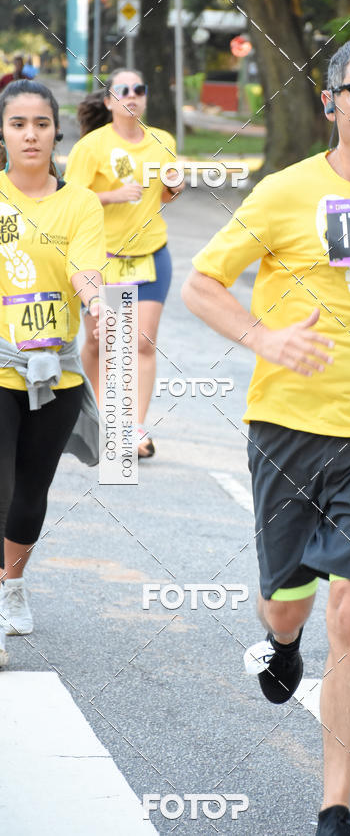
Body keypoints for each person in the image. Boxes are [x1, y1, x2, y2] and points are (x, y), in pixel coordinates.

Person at [182, 35, 350, 834]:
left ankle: (334, 807)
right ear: (331, 101)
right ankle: (280, 640)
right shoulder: (282, 193)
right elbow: (203, 283)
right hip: (286, 426)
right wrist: (267, 339)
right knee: (284, 604)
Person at [0, 79, 105, 660]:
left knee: (30, 492)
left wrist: (96, 301)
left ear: (56, 130)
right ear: (3, 132)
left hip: (57, 373)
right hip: (0, 364)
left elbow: (86, 268)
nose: (30, 134)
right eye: (18, 124)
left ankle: (11, 586)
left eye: (41, 123)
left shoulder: (80, 202)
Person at [65, 69, 184, 458]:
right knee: (100, 343)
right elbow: (69, 203)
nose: (132, 96)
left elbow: (165, 196)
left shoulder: (162, 141)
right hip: (101, 258)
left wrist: (174, 188)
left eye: (139, 89)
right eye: (123, 90)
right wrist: (113, 196)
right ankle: (99, 418)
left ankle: (132, 428)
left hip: (150, 255)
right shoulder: (91, 147)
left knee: (143, 343)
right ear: (110, 102)